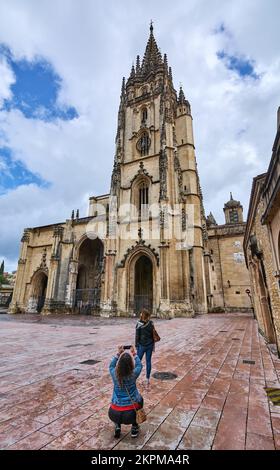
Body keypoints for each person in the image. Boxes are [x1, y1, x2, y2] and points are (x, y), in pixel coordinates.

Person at [108, 345, 143, 438]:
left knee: (115, 401)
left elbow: (111, 365)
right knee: (140, 399)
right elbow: (139, 365)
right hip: (130, 415)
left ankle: (117, 426)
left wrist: (119, 353)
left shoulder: (114, 374)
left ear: (119, 365)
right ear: (131, 365)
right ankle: (134, 427)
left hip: (113, 413)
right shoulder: (133, 374)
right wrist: (134, 353)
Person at [135, 309, 155, 387]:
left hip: (141, 345)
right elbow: (153, 335)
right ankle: (147, 379)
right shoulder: (151, 323)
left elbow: (137, 336)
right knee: (148, 361)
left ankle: (134, 377)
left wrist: (136, 345)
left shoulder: (139, 323)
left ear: (142, 315)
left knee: (137, 361)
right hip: (150, 345)